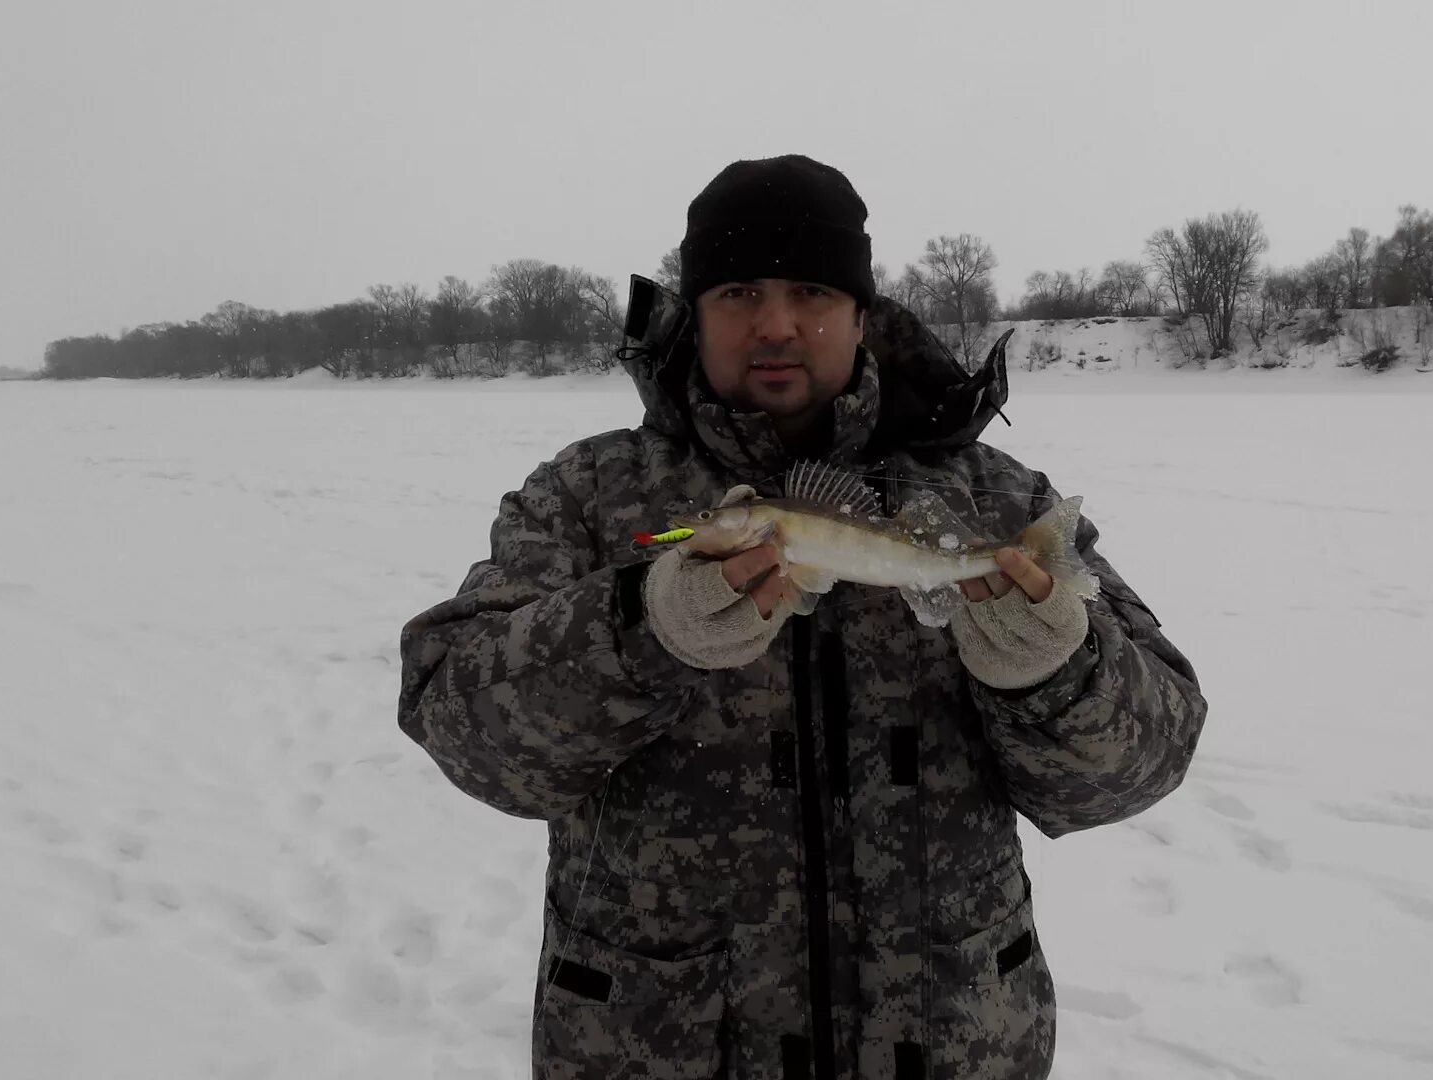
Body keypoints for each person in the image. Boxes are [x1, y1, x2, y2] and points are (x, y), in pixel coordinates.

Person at [398, 154, 1207, 1079]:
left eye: (811, 290)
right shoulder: (585, 494)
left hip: (950, 1044)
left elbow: (1144, 766)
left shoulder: (994, 497)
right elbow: (467, 736)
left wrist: (1057, 669)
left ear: (863, 316)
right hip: (657, 1044)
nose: (776, 324)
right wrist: (640, 628)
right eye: (738, 290)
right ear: (694, 313)